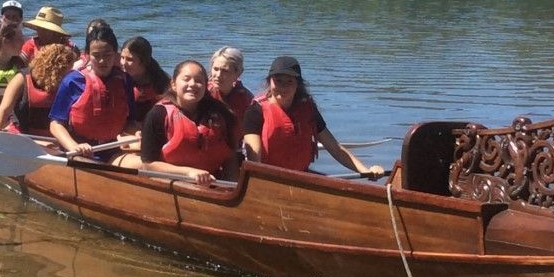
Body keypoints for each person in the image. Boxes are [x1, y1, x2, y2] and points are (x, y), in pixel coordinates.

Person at [241, 56, 385, 178]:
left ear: (298, 85)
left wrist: (366, 171)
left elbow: (336, 148)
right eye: (278, 81)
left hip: (301, 176)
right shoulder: (255, 112)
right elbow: (255, 159)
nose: (283, 87)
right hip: (268, 179)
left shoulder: (308, 109)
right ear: (269, 82)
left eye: (289, 82)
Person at [117, 59, 239, 187]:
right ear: (174, 85)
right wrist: (189, 173)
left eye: (199, 81)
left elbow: (230, 157)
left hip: (211, 183)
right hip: (170, 182)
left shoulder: (221, 115)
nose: (192, 84)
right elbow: (148, 164)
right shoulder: (157, 115)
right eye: (186, 79)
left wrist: (230, 188)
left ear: (205, 86)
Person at [48, 21, 136, 158]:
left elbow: (130, 121)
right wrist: (74, 146)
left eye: (107, 55)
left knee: (142, 165)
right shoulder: (72, 81)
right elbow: (55, 124)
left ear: (115, 54)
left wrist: (136, 133)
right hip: (78, 152)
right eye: (97, 55)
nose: (102, 61)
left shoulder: (124, 80)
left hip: (112, 149)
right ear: (88, 55)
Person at [0, 42, 77, 132]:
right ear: (58, 67)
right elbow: (4, 109)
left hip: (52, 140)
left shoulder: (69, 83)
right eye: (69, 67)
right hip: (21, 136)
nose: (71, 71)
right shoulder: (22, 78)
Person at [120, 36, 169, 121]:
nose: (123, 63)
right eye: (122, 57)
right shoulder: (119, 79)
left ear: (144, 61)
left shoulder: (162, 83)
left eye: (129, 59)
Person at [208, 46, 254, 126]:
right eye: (215, 69)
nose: (218, 75)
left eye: (225, 71)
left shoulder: (246, 99)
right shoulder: (203, 93)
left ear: (238, 73)